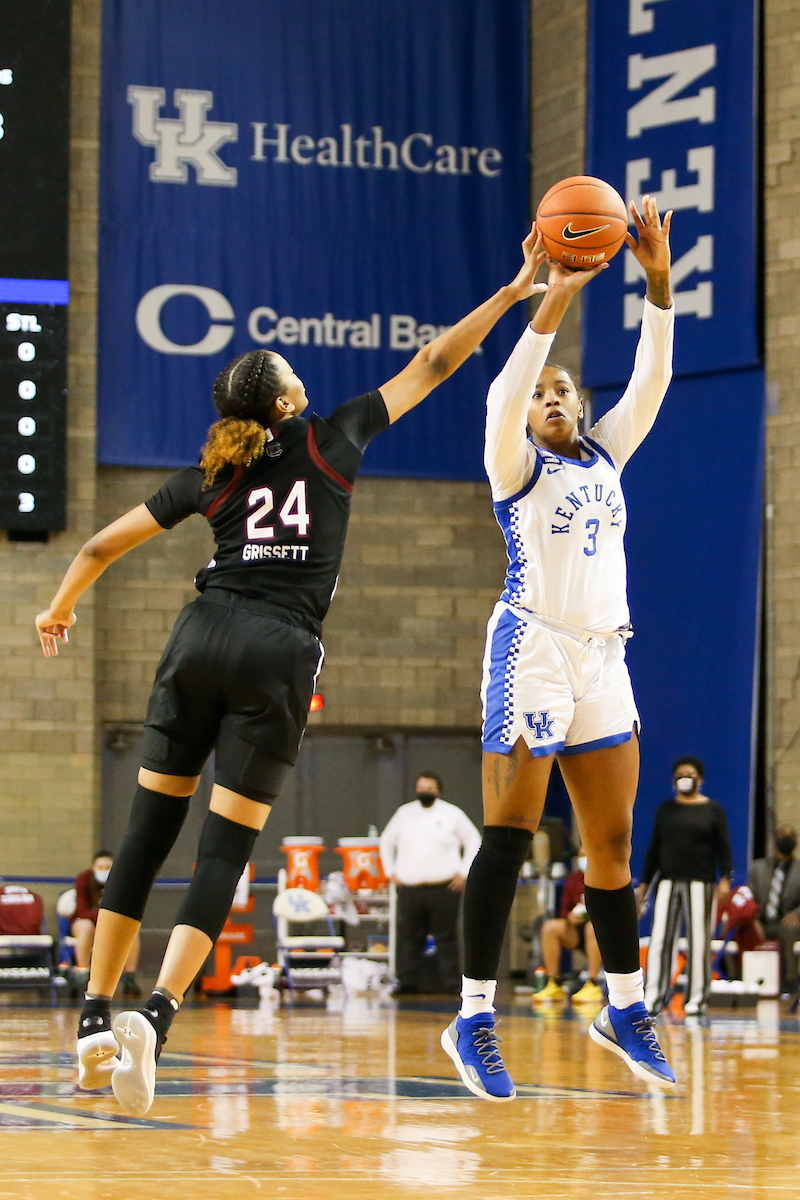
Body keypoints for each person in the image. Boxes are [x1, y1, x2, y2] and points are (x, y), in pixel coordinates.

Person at [35, 230, 547, 1116]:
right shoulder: (330, 437)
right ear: (284, 400)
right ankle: (157, 1014)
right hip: (278, 652)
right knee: (222, 853)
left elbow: (98, 546)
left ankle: (92, 1017)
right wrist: (512, 293)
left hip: (200, 636)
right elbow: (434, 363)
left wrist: (60, 607)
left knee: (145, 836)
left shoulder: (212, 472)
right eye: (291, 372)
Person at [440, 196, 678, 1102]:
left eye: (562, 391)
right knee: (509, 834)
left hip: (604, 657)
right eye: (542, 393)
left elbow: (652, 381)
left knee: (611, 840)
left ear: (582, 406)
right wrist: (559, 291)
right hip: (531, 647)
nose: (548, 399)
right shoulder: (515, 465)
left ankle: (625, 1007)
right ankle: (473, 1019)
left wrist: (657, 281)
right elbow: (502, 392)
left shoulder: (606, 455)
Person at [637, 756, 733, 1016]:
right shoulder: (666, 810)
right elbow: (654, 849)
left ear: (699, 779)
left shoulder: (712, 810)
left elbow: (724, 847)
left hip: (701, 882)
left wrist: (725, 878)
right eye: (679, 774)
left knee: (699, 941)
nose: (684, 778)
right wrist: (644, 885)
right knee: (660, 940)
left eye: (689, 774)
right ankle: (654, 996)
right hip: (668, 882)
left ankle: (697, 1000)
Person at [379, 770, 480, 994]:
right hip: (410, 888)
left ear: (438, 791)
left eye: (430, 788)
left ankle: (452, 983)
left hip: (445, 887)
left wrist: (464, 872)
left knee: (446, 937)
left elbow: (474, 840)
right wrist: (390, 871)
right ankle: (406, 982)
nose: (425, 792)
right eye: (421, 788)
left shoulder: (452, 814)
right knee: (408, 937)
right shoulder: (404, 814)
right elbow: (386, 841)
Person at [535, 847, 604, 1004]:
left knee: (592, 928)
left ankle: (593, 983)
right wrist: (570, 917)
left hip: (603, 931)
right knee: (550, 927)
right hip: (578, 929)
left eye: (587, 855)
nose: (583, 859)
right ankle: (554, 983)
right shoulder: (574, 879)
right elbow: (564, 911)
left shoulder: (606, 876)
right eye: (581, 856)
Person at [72, 851, 141, 997]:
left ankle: (130, 977)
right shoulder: (84, 879)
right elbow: (82, 911)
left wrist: (109, 920)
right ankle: (82, 972)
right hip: (88, 922)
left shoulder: (122, 881)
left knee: (131, 931)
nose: (103, 870)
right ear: (93, 868)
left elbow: (126, 909)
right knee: (85, 927)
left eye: (107, 867)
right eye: (100, 867)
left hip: (112, 925)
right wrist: (105, 917)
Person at [747, 824, 800, 989]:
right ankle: (735, 976)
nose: (787, 838)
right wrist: (753, 919)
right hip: (760, 921)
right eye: (783, 834)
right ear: (774, 838)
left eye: (791, 835)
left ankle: (790, 981)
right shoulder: (757, 868)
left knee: (790, 928)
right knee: (736, 925)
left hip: (786, 922)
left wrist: (797, 913)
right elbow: (748, 897)